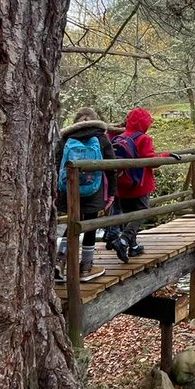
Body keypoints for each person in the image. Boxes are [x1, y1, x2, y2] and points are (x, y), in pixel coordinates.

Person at [108, 107, 178, 262]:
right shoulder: (143, 139)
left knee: (128, 215)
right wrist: (166, 156)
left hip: (122, 184)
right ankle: (124, 240)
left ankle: (132, 247)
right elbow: (152, 161)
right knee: (142, 213)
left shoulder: (119, 138)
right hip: (139, 185)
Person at [55, 107, 117, 282]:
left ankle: (60, 261)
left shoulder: (66, 138)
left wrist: (56, 191)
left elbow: (56, 164)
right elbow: (112, 167)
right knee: (90, 224)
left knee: (72, 223)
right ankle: (86, 267)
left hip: (69, 189)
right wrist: (111, 193)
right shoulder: (101, 138)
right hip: (94, 190)